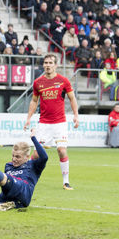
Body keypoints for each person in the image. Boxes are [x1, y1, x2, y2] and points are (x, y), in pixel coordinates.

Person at [23, 54, 79, 190]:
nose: (47, 65)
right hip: (44, 123)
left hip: (60, 123)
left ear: (56, 65)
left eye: (50, 63)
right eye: (46, 63)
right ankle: (25, 177)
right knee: (36, 154)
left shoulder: (63, 81)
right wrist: (29, 118)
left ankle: (66, 181)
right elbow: (34, 101)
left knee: (61, 150)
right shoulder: (38, 82)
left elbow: (72, 98)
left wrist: (76, 115)